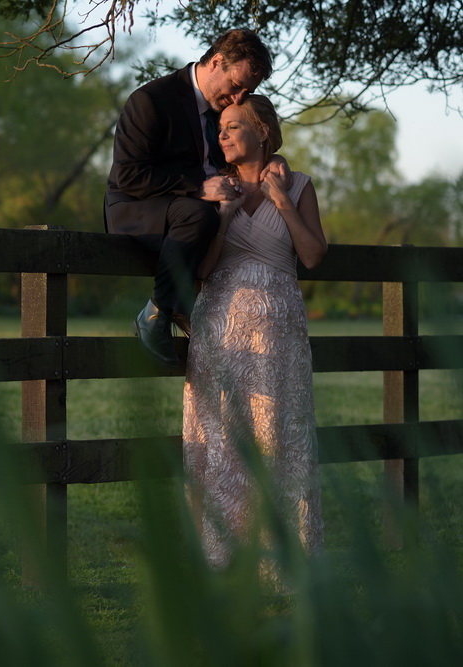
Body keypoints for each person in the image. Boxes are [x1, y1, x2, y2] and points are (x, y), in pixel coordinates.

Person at [182, 94, 327, 569]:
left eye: (232, 126)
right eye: (219, 128)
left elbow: (312, 256)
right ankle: (219, 556)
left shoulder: (300, 185)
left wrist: (282, 202)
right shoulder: (213, 189)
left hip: (276, 335)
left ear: (262, 131)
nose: (221, 135)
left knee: (276, 439)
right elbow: (201, 269)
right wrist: (220, 218)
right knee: (219, 437)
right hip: (219, 331)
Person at [104, 29, 280, 368]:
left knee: (248, 223)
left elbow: (259, 135)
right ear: (216, 62)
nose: (240, 98)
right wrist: (199, 187)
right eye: (236, 86)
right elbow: (129, 177)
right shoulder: (152, 100)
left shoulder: (227, 106)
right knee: (200, 215)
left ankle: (240, 341)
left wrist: (275, 161)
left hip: (198, 213)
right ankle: (157, 312)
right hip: (137, 208)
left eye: (249, 91)